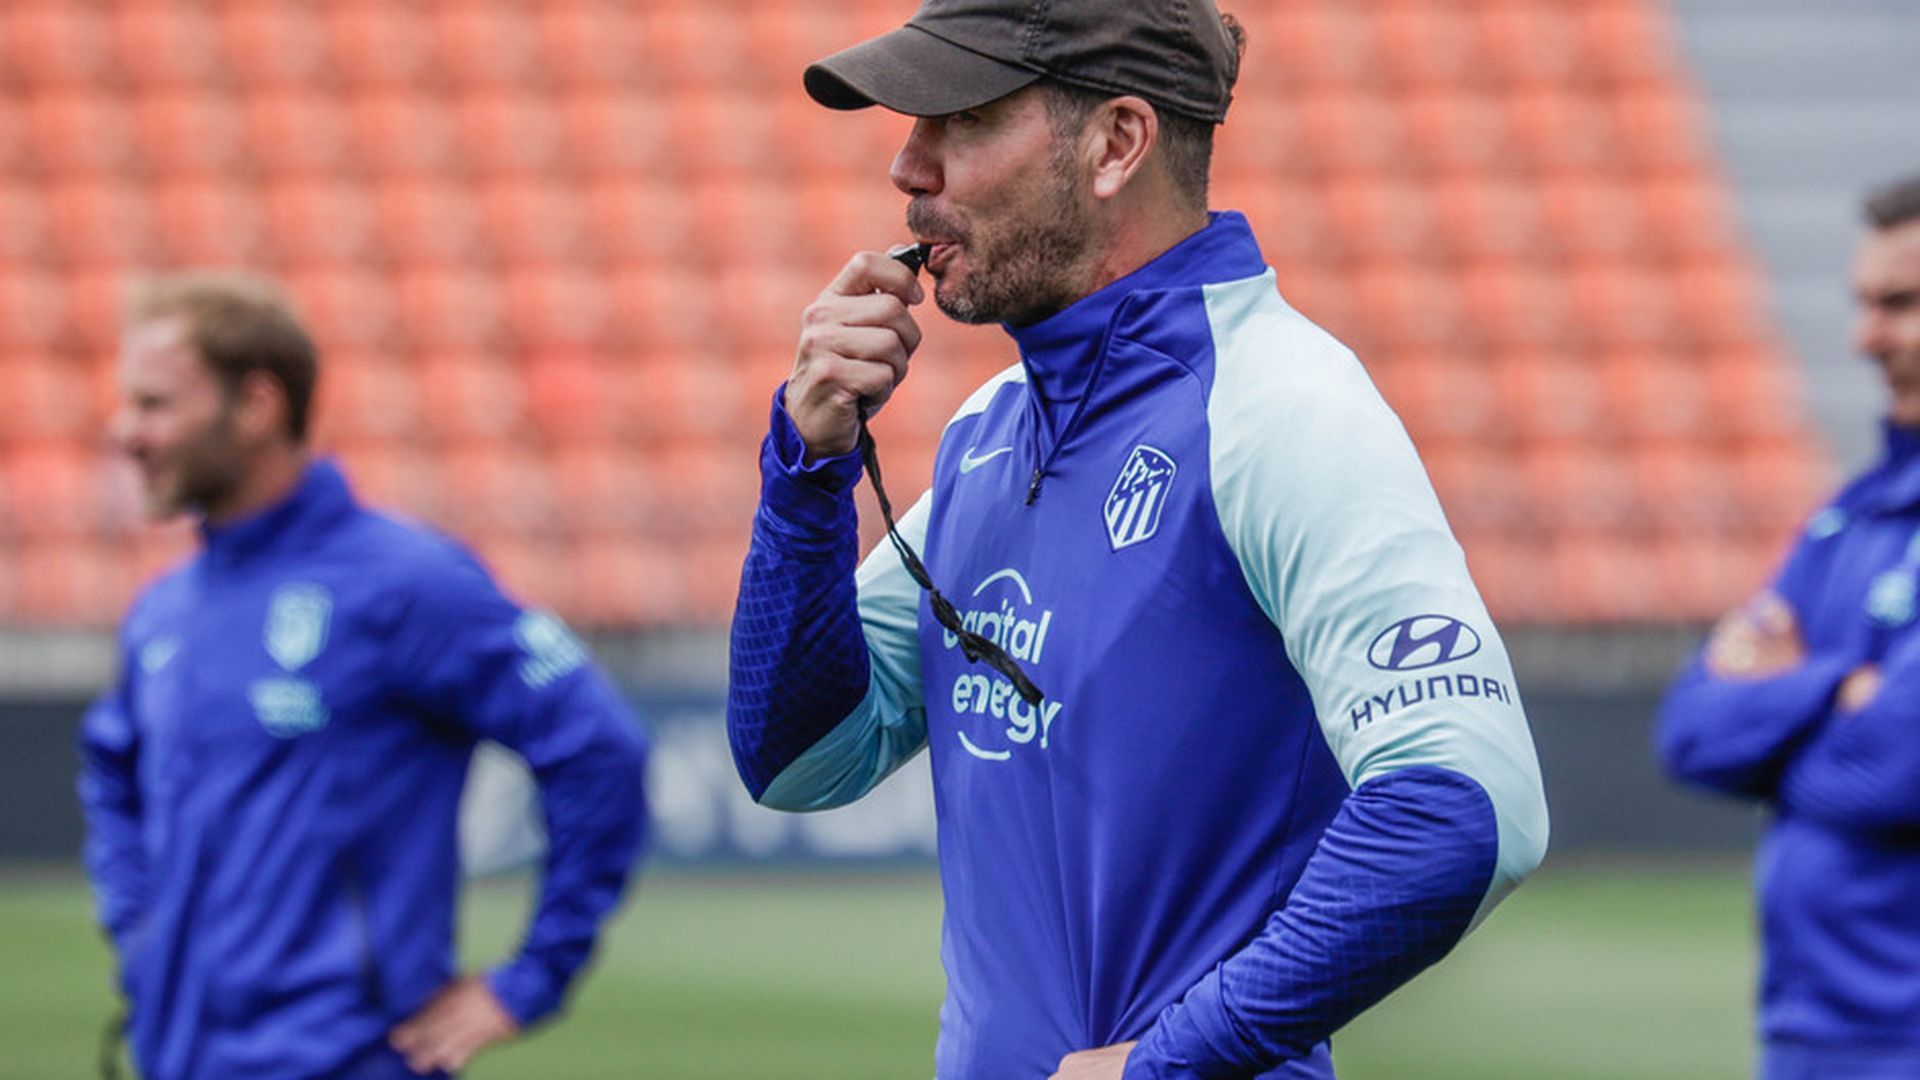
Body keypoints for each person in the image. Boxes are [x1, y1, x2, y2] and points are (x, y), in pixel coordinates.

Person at [724, 3, 1550, 1077]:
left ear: (1117, 143)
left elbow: (1465, 807)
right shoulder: (994, 431)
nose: (907, 165)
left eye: (962, 120)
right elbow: (799, 761)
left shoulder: (1280, 408)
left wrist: (1170, 1060)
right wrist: (806, 471)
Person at [78, 272, 649, 1080]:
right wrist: (141, 936)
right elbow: (112, 770)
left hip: (347, 1059)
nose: (125, 431)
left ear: (257, 405)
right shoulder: (163, 610)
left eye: (154, 404)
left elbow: (598, 746)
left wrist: (533, 976)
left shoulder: (405, 584)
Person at [1658, 175, 1920, 1079]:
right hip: (1812, 1036)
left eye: (1901, 305)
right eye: (1863, 305)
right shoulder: (1851, 516)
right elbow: (1691, 730)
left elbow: (1896, 768)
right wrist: (1840, 690)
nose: (1865, 337)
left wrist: (1782, 705)